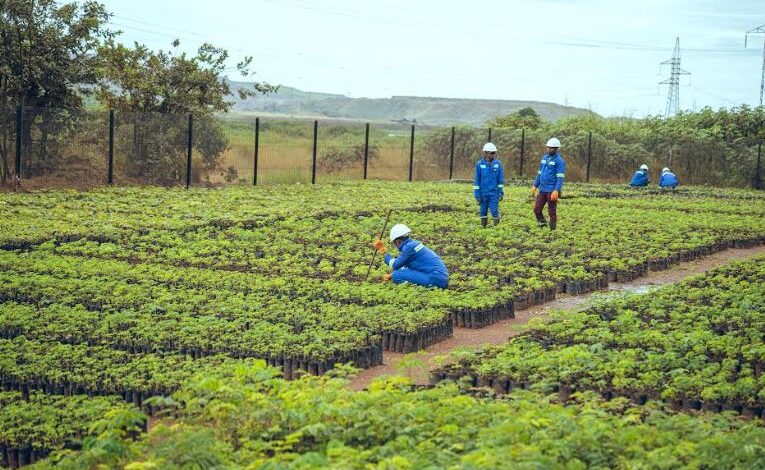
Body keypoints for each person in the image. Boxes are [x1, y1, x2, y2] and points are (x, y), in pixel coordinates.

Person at [372, 223, 449, 288]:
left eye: (394, 244)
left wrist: (382, 251)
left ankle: (417, 289)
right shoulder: (413, 245)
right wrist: (390, 276)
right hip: (440, 278)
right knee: (398, 272)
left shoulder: (409, 247)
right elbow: (405, 268)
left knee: (397, 275)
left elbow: (395, 265)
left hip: (434, 279)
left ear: (398, 241)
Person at [531, 137, 565, 230]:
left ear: (556, 149)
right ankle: (543, 226)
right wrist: (535, 185)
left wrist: (556, 190)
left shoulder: (559, 161)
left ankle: (552, 231)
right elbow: (539, 173)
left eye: (551, 148)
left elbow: (560, 177)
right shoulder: (544, 158)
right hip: (542, 189)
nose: (549, 149)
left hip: (551, 190)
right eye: (548, 147)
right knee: (537, 209)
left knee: (551, 211)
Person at [473, 142, 505, 227]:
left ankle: (497, 228)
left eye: (494, 153)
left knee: (494, 211)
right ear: (486, 153)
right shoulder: (479, 164)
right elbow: (477, 180)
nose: (493, 155)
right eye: (491, 153)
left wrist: (500, 192)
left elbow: (500, 180)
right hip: (483, 193)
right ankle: (484, 226)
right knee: (483, 211)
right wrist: (477, 194)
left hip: (494, 193)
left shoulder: (498, 164)